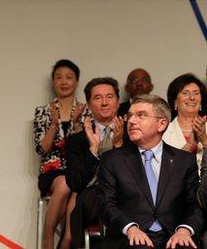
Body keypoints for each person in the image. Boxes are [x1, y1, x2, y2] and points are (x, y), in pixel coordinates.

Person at [97, 94, 203, 249]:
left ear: (161, 124)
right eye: (130, 115)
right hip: (130, 237)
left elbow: (195, 205)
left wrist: (185, 230)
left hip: (174, 235)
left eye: (141, 115)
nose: (132, 121)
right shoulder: (113, 160)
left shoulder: (184, 160)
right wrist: (131, 228)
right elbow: (106, 205)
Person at [65, 77, 127, 248]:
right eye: (98, 98)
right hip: (92, 199)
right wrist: (93, 149)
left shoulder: (133, 134)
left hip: (128, 196)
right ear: (89, 104)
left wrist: (119, 146)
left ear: (118, 101)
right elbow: (75, 183)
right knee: (103, 195)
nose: (105, 102)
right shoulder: (76, 141)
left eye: (109, 97)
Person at [33, 59, 88, 249]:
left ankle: (66, 242)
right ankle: (48, 239)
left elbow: (85, 149)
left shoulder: (85, 111)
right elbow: (42, 149)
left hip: (78, 169)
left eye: (69, 77)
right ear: (53, 82)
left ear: (77, 81)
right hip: (52, 169)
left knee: (76, 189)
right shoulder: (43, 112)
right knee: (66, 184)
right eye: (59, 77)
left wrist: (76, 125)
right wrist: (54, 124)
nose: (64, 82)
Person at [163, 73, 207, 170]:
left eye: (196, 93)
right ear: (175, 101)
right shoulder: (163, 131)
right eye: (185, 93)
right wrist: (189, 146)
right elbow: (163, 170)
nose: (192, 98)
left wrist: (204, 141)